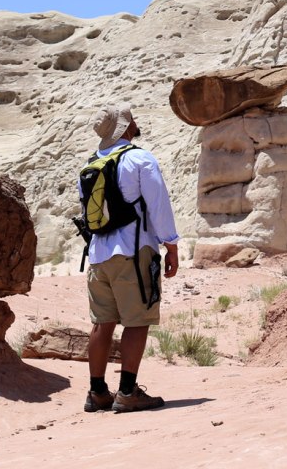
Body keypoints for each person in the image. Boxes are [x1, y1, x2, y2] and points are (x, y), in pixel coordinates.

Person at [83, 102, 180, 414]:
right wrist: (171, 245)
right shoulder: (139, 159)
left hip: (97, 254)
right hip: (133, 250)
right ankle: (127, 391)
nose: (135, 123)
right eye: (131, 120)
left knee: (102, 322)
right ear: (125, 128)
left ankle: (97, 391)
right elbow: (158, 204)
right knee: (138, 320)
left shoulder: (89, 166)